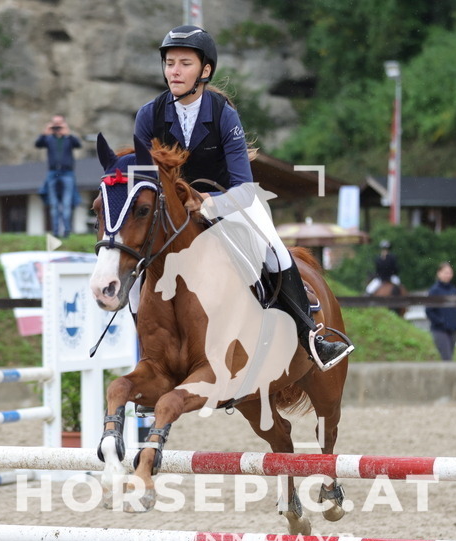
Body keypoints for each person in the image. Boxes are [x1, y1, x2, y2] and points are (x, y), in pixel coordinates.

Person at [134, 25, 352, 370]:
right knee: (136, 271)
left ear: (205, 71)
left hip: (227, 203)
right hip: (172, 215)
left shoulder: (223, 114)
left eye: (184, 63)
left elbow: (244, 186)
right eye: (170, 63)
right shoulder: (149, 115)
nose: (174, 71)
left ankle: (311, 336)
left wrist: (209, 203)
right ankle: (147, 357)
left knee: (275, 252)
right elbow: (145, 180)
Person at [34, 115, 81, 238]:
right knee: (54, 205)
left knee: (66, 204)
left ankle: (66, 232)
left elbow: (78, 144)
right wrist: (45, 132)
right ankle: (55, 232)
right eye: (55, 124)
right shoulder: (49, 139)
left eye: (59, 124)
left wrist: (68, 133)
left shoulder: (69, 139)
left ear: (64, 123)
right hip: (52, 173)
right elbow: (38, 144)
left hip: (67, 173)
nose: (57, 127)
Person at [425, 262, 456, 361]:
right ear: (439, 273)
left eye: (450, 273)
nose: (448, 275)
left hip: (453, 328)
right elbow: (429, 310)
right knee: (447, 357)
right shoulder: (434, 291)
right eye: (445, 272)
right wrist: (441, 322)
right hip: (440, 329)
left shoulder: (454, 290)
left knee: (450, 356)